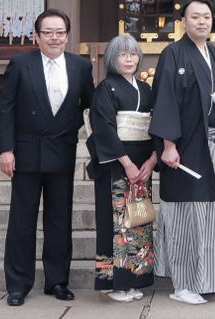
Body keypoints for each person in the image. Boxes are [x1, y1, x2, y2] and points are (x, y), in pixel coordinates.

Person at [149, 0, 215, 304]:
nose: (202, 22)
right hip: (186, 151)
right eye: (195, 17)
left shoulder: (213, 54)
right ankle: (184, 284)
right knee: (188, 216)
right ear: (184, 22)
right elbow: (164, 99)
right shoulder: (173, 54)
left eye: (206, 17)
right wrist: (168, 144)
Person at [0, 8, 94, 307]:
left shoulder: (80, 66)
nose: (54, 38)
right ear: (36, 36)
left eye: (60, 32)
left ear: (67, 35)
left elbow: (92, 105)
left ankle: (57, 281)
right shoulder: (20, 63)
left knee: (59, 220)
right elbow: (7, 108)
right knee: (22, 221)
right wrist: (6, 149)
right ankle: (18, 284)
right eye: (48, 32)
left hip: (61, 150)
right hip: (25, 152)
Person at [85, 34, 157, 302]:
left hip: (142, 164)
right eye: (122, 54)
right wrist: (126, 162)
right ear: (112, 59)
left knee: (138, 221)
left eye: (133, 54)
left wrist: (151, 161)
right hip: (116, 164)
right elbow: (103, 127)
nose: (129, 59)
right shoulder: (106, 88)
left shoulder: (146, 89)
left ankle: (134, 278)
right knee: (116, 223)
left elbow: (156, 125)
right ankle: (113, 282)